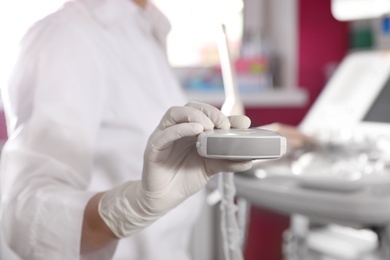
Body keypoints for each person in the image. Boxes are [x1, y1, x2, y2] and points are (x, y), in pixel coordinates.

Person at [0, 0, 315, 259]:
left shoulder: (142, 31)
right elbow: (25, 215)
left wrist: (244, 144)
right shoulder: (66, 37)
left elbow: (156, 157)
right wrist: (129, 208)